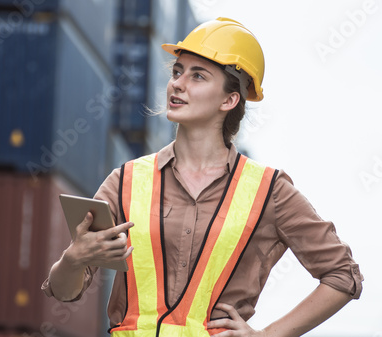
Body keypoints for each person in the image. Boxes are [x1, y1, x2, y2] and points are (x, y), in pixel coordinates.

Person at [42, 17, 363, 337]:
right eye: (177, 72)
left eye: (198, 76)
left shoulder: (269, 192)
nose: (178, 83)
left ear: (229, 99)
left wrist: (266, 336)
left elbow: (343, 276)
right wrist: (72, 260)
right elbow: (65, 292)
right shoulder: (125, 181)